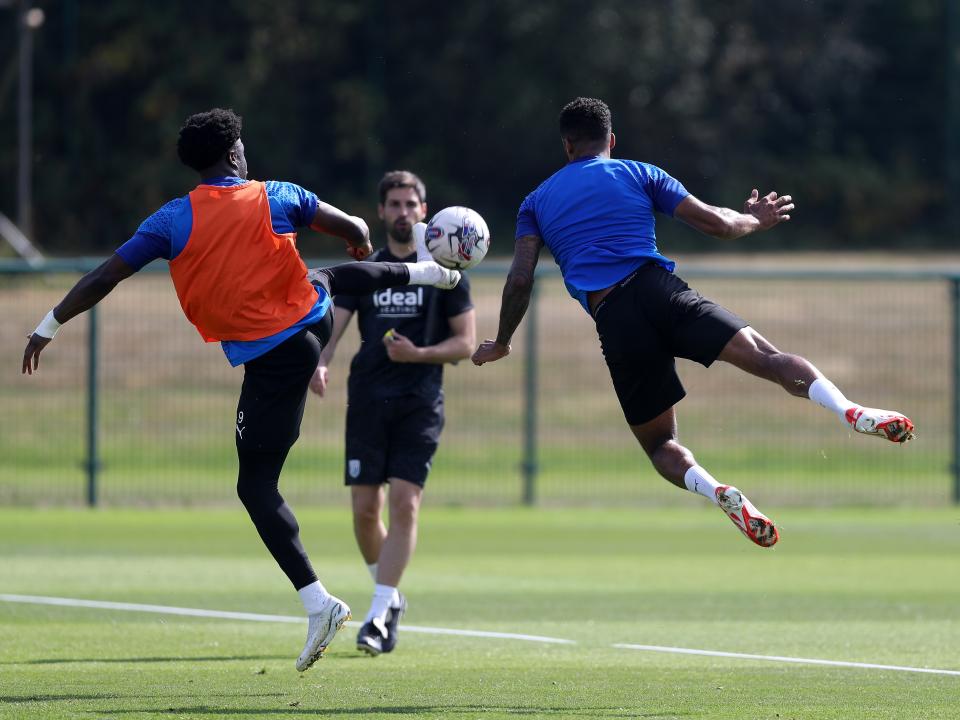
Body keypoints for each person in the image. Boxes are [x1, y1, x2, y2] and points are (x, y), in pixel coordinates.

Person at [20, 108, 460, 670]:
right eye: (243, 147)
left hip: (277, 356)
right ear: (233, 155)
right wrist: (358, 238)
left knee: (254, 487)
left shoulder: (170, 220)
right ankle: (433, 274)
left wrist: (49, 324)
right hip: (310, 321)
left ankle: (318, 602)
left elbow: (105, 276)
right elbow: (353, 228)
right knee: (331, 276)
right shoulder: (276, 194)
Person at [472, 97, 914, 548]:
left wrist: (503, 341)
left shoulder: (536, 202)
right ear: (612, 140)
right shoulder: (638, 172)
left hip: (615, 320)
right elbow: (717, 224)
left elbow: (520, 279)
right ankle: (849, 411)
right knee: (769, 358)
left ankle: (716, 488)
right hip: (661, 292)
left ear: (566, 146)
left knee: (661, 445)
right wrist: (754, 221)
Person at [309, 170, 475, 655]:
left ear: (426, 211)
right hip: (366, 399)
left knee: (405, 503)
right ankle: (392, 596)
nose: (404, 212)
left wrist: (418, 355)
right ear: (381, 212)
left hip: (420, 400)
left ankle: (378, 616)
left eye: (411, 204)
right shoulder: (369, 268)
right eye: (395, 205)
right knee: (365, 513)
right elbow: (334, 326)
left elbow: (465, 343)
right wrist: (320, 361)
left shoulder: (447, 271)